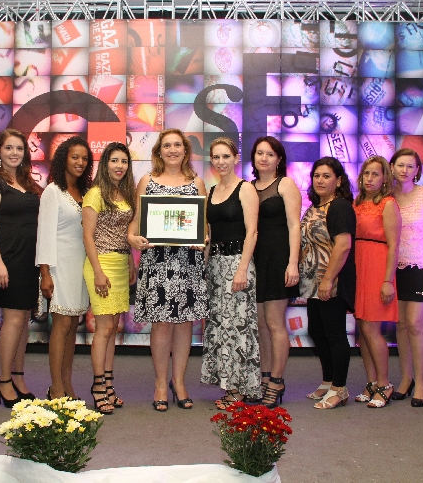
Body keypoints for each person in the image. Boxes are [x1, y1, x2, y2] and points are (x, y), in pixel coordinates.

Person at [128, 128, 209, 412]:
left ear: (185, 150)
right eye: (167, 146)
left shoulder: (197, 182)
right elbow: (136, 220)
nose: (172, 150)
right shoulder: (147, 181)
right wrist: (132, 238)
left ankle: (180, 382)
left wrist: (204, 239)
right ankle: (161, 384)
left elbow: (203, 225)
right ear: (159, 152)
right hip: (157, 261)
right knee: (161, 324)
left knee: (185, 323)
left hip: (187, 262)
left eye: (177, 145)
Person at [0, 128, 43, 407]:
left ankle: (18, 376)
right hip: (7, 258)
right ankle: (3, 380)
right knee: (13, 319)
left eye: (19, 148)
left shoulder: (27, 182)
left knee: (23, 319)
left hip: (29, 259)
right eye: (9, 148)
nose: (14, 153)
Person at [200, 137, 261, 409]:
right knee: (220, 327)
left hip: (238, 264)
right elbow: (210, 234)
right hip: (215, 265)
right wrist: (204, 265)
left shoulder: (245, 189)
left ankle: (239, 389)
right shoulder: (212, 191)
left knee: (238, 327)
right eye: (216, 157)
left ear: (236, 158)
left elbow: (252, 232)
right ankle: (228, 384)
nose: (221, 161)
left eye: (226, 156)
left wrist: (242, 269)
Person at [36, 136, 93, 400]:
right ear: (64, 159)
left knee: (72, 327)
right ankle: (56, 387)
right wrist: (45, 273)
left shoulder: (85, 191)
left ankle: (67, 384)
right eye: (75, 157)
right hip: (59, 266)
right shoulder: (53, 191)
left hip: (80, 268)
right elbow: (44, 235)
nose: (80, 162)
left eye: (84, 158)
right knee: (61, 325)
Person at [82, 142, 137, 414]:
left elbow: (124, 233)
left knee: (113, 328)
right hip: (101, 264)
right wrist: (98, 272)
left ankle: (109, 384)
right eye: (114, 160)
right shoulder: (95, 194)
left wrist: (130, 262)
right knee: (103, 329)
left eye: (124, 161)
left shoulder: (124, 193)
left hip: (120, 263)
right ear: (105, 164)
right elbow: (87, 237)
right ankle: (98, 387)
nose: (119, 166)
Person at [299, 157, 356, 410]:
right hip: (312, 283)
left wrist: (328, 280)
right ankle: (328, 380)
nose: (320, 180)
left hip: (331, 281)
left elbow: (343, 246)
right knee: (317, 332)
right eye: (316, 176)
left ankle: (340, 388)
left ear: (339, 180)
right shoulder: (313, 207)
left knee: (334, 335)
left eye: (326, 176)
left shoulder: (340, 207)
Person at [250, 136, 302, 407]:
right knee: (260, 325)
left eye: (270, 154)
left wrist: (293, 263)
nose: (264, 158)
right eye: (260, 153)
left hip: (279, 258)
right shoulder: (248, 187)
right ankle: (265, 377)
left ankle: (277, 381)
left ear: (279, 159)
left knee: (275, 323)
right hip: (256, 260)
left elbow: (295, 226)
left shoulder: (286, 184)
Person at [389, 148, 423, 407]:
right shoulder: (388, 197)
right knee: (399, 325)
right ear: (392, 167)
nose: (405, 170)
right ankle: (406, 378)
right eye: (400, 165)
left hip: (420, 266)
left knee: (415, 325)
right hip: (393, 268)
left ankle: (421, 382)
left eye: (410, 166)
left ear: (418, 170)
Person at [352, 156, 401, 408]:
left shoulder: (389, 204)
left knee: (372, 329)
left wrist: (387, 281)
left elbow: (394, 246)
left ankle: (385, 384)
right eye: (366, 173)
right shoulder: (357, 202)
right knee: (362, 330)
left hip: (377, 267)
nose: (370, 179)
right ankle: (371, 382)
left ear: (384, 179)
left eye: (375, 174)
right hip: (358, 266)